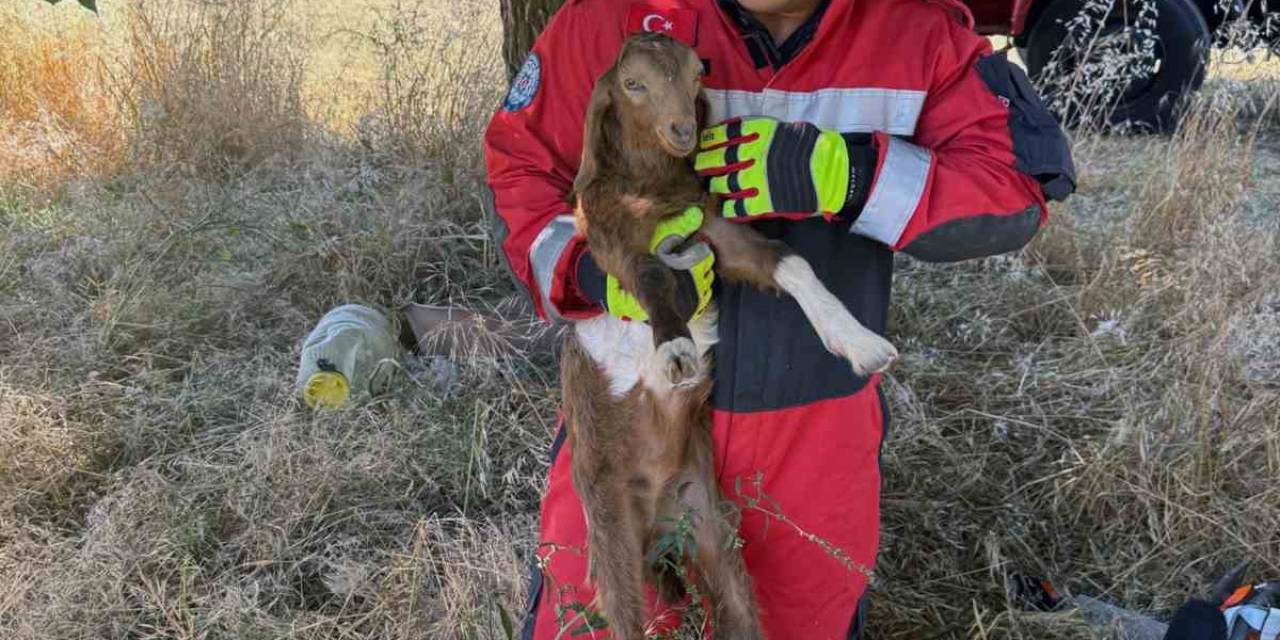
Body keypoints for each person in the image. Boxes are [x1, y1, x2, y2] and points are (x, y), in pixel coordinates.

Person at [483, 0, 1075, 637]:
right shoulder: (617, 16)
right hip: (627, 413)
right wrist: (593, 272)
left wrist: (846, 174)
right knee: (596, 623)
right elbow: (522, 167)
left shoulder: (915, 30)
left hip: (814, 428)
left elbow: (1016, 180)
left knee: (791, 621)